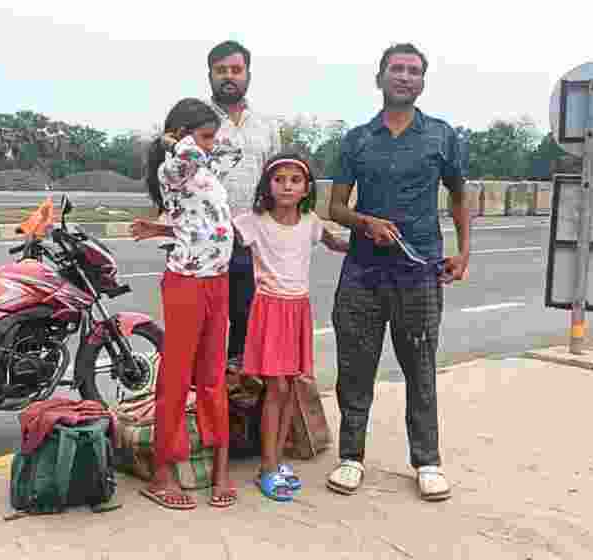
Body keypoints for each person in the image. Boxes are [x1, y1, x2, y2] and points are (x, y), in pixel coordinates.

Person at [324, 43, 470, 502]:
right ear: (380, 77)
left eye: (413, 71)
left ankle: (427, 461)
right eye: (397, 69)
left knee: (420, 367)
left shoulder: (441, 136)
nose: (405, 77)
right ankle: (351, 457)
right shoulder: (357, 140)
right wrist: (365, 222)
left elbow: (461, 196)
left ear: (422, 81)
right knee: (355, 366)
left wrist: (464, 252)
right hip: (363, 272)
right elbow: (334, 207)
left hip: (420, 271)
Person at [129, 98, 237, 510]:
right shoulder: (174, 167)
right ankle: (162, 473)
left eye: (212, 138)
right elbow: (184, 162)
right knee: (176, 377)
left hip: (217, 281)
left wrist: (158, 225)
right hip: (186, 283)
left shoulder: (204, 167)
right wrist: (177, 142)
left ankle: (221, 464)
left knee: (212, 376)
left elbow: (194, 215)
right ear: (182, 136)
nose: (210, 146)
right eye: (205, 137)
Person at [233, 154, 348, 501]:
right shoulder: (253, 221)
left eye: (295, 180)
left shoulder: (310, 222)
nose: (287, 185)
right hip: (269, 310)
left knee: (289, 388)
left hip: (298, 309)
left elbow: (336, 242)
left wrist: (373, 238)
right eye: (279, 179)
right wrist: (165, 228)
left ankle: (275, 461)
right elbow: (213, 232)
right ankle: (267, 468)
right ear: (267, 185)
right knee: (277, 389)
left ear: (306, 189)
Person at [204, 40, 283, 373]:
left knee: (247, 325)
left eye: (236, 70)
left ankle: (239, 408)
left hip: (252, 243)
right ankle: (204, 409)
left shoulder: (266, 125)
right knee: (205, 330)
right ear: (209, 75)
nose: (229, 76)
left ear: (248, 74)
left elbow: (278, 181)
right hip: (204, 242)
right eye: (221, 70)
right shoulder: (195, 120)